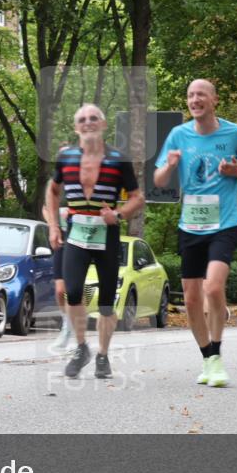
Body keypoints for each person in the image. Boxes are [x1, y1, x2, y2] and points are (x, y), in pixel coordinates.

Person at [154, 79, 237, 387]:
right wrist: (170, 166)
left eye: (201, 94)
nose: (194, 99)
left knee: (213, 288)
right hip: (190, 224)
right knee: (190, 299)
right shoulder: (178, 134)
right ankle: (208, 359)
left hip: (224, 222)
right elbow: (158, 180)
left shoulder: (234, 132)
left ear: (214, 100)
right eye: (190, 95)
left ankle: (216, 352)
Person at [46, 104, 144, 378]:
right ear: (76, 127)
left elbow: (138, 197)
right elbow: (52, 191)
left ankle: (102, 354)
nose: (88, 123)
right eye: (82, 120)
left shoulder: (118, 159)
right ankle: (81, 347)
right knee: (73, 292)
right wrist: (54, 225)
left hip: (106, 233)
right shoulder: (66, 158)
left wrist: (119, 214)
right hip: (77, 231)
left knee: (105, 303)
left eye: (93, 119)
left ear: (103, 125)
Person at [42, 204, 72, 350]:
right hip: (60, 242)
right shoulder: (56, 189)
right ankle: (67, 322)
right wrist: (52, 225)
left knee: (73, 289)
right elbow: (45, 208)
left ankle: (73, 328)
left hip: (77, 241)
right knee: (60, 290)